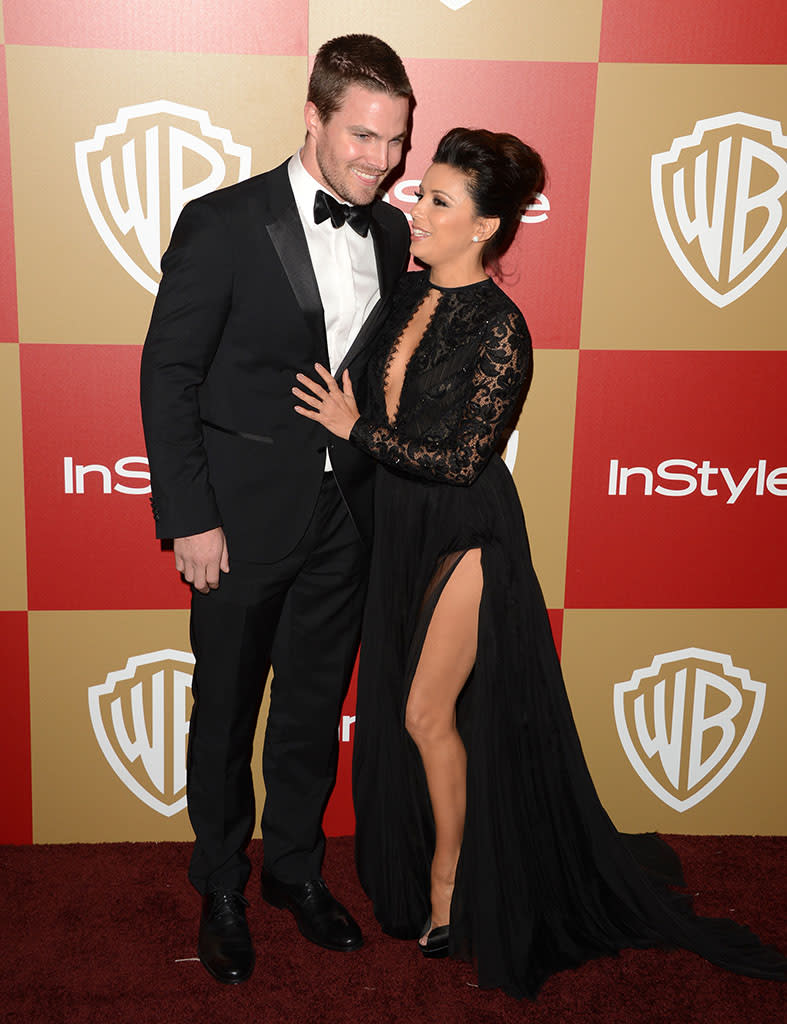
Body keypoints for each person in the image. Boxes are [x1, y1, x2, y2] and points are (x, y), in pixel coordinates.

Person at [292, 127, 787, 997]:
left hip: (467, 537)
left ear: (484, 227)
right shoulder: (402, 297)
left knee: (419, 714)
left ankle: (449, 880)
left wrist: (354, 429)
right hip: (396, 531)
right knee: (414, 717)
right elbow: (378, 411)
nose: (417, 207)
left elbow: (459, 458)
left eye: (438, 201)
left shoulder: (502, 330)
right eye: (423, 192)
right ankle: (431, 865)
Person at [140, 35, 412, 984]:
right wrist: (189, 516)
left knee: (307, 707)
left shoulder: (388, 232)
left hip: (347, 518)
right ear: (314, 115)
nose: (380, 161)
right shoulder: (221, 222)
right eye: (363, 137)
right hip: (238, 520)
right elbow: (169, 373)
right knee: (223, 712)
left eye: (394, 142)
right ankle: (219, 881)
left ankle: (294, 870)